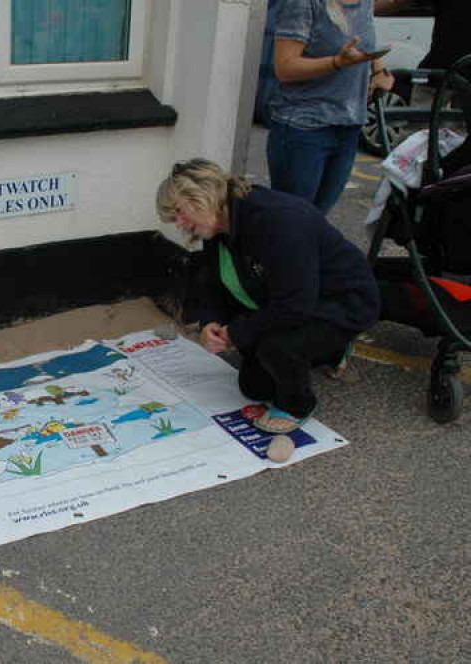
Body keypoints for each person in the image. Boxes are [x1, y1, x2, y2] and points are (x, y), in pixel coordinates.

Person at [157, 159, 380, 434]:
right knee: (254, 387)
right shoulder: (217, 224)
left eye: (178, 212)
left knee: (275, 347)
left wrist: (237, 332)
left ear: (202, 196)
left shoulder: (278, 220)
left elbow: (295, 306)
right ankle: (330, 351)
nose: (178, 223)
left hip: (343, 302)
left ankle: (299, 405)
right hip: (292, 300)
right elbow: (215, 284)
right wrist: (211, 323)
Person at [267, 0, 395, 213]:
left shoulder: (364, 3)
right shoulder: (303, 4)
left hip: (348, 126)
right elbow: (285, 67)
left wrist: (378, 69)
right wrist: (337, 62)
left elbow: (363, 41)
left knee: (316, 219)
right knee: (293, 221)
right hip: (304, 127)